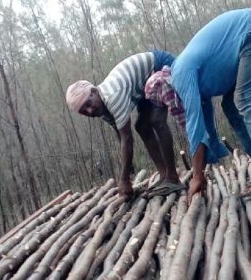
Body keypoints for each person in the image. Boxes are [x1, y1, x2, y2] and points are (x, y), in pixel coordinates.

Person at [171, 8, 251, 202]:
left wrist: (197, 176)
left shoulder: (180, 74)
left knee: (246, 97)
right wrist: (207, 160)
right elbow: (205, 123)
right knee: (231, 106)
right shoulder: (191, 77)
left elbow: (194, 125)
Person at [66, 51, 184, 197]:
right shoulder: (101, 109)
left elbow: (127, 138)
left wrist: (124, 178)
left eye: (88, 104)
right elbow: (120, 136)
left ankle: (173, 178)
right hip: (143, 85)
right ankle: (164, 174)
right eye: (84, 111)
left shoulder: (112, 97)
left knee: (156, 121)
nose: (89, 111)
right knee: (142, 126)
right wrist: (128, 170)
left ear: (94, 91)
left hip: (159, 66)